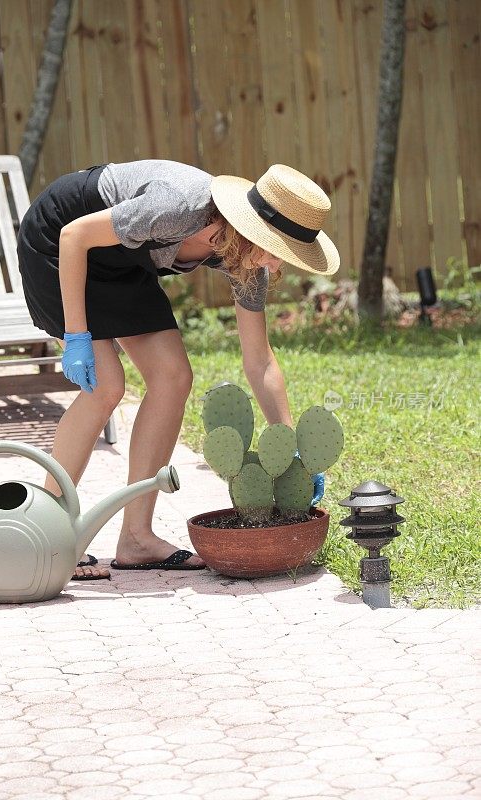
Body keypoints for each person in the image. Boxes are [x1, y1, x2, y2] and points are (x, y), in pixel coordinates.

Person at [17, 160, 340, 580]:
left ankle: (136, 538)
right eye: (277, 252)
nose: (277, 267)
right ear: (250, 231)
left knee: (173, 375)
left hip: (121, 261)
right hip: (62, 241)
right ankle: (48, 531)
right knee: (106, 385)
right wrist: (77, 334)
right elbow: (75, 236)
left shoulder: (247, 262)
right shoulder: (179, 206)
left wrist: (294, 448)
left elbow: (259, 359)